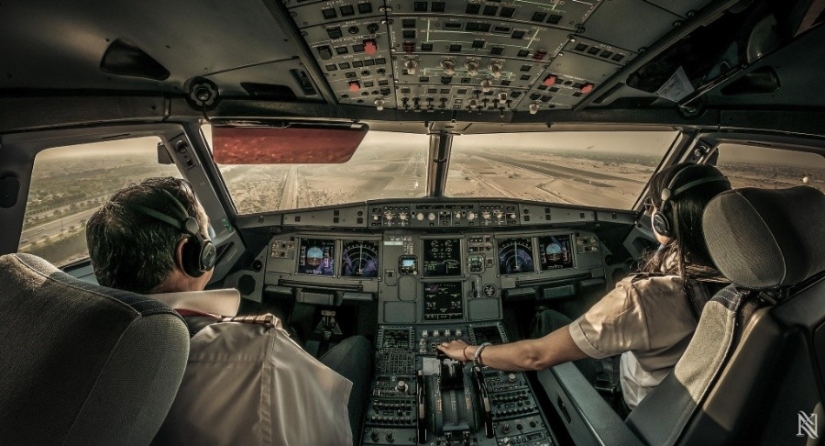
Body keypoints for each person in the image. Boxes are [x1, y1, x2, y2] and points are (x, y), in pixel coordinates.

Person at [85, 177, 371, 445]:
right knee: (356, 347)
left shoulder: (80, 343)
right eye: (207, 234)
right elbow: (322, 431)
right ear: (190, 255)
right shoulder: (257, 348)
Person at [437, 163, 732, 411]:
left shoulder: (644, 297)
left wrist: (467, 352)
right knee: (549, 317)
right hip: (691, 404)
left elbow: (535, 356)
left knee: (543, 320)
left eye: (650, 206)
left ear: (662, 221)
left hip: (636, 412)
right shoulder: (745, 284)